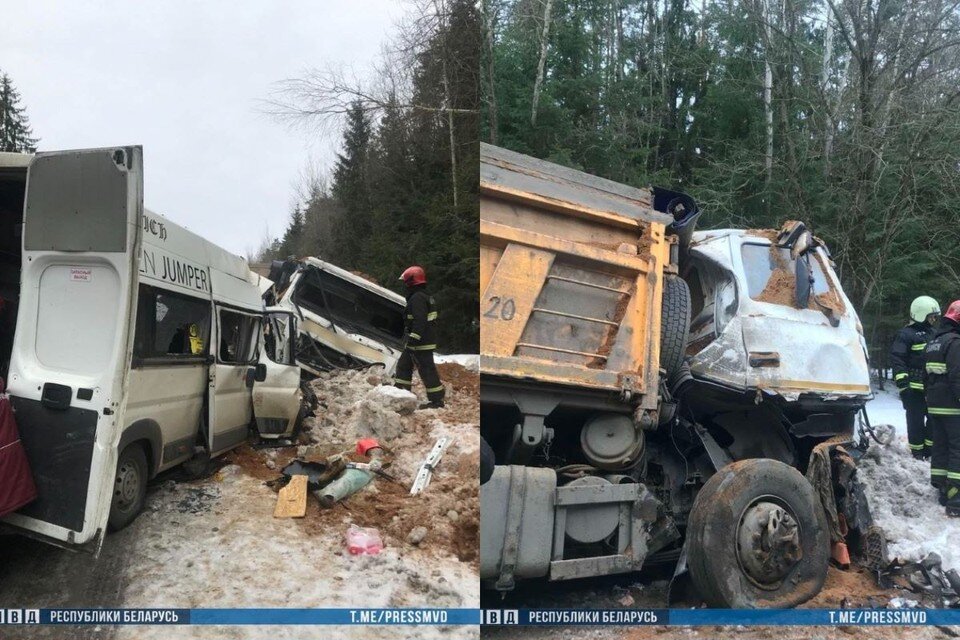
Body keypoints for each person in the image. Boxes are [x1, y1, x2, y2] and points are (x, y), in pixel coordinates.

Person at [891, 296, 940, 459]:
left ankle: (929, 450)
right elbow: (898, 359)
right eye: (931, 316)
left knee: (934, 420)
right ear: (921, 314)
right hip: (913, 389)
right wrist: (903, 384)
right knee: (915, 422)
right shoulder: (905, 335)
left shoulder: (934, 333)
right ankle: (917, 453)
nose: (934, 320)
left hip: (932, 388)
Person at [923, 299, 960, 515]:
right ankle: (956, 498)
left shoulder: (933, 342)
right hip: (953, 406)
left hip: (936, 405)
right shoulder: (955, 343)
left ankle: (942, 487)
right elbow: (957, 376)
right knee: (958, 448)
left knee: (941, 445)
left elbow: (925, 376)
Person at [394, 265, 445, 409]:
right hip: (423, 340)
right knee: (405, 365)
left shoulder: (417, 298)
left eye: (406, 282)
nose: (405, 285)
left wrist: (413, 340)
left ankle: (437, 400)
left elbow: (420, 321)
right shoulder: (424, 296)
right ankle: (400, 393)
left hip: (420, 342)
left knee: (426, 369)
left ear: (411, 281)